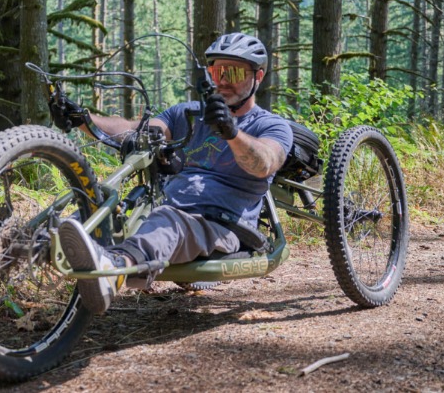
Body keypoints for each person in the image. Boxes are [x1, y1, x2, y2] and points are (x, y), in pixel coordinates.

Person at [50, 32, 294, 314]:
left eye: (235, 71)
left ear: (258, 76)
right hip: (166, 212)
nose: (224, 79)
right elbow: (137, 130)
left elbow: (264, 161)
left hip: (222, 225)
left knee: (169, 220)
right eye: (217, 71)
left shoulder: (271, 126)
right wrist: (84, 120)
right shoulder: (188, 113)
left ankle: (115, 271)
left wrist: (232, 132)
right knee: (100, 206)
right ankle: (21, 247)